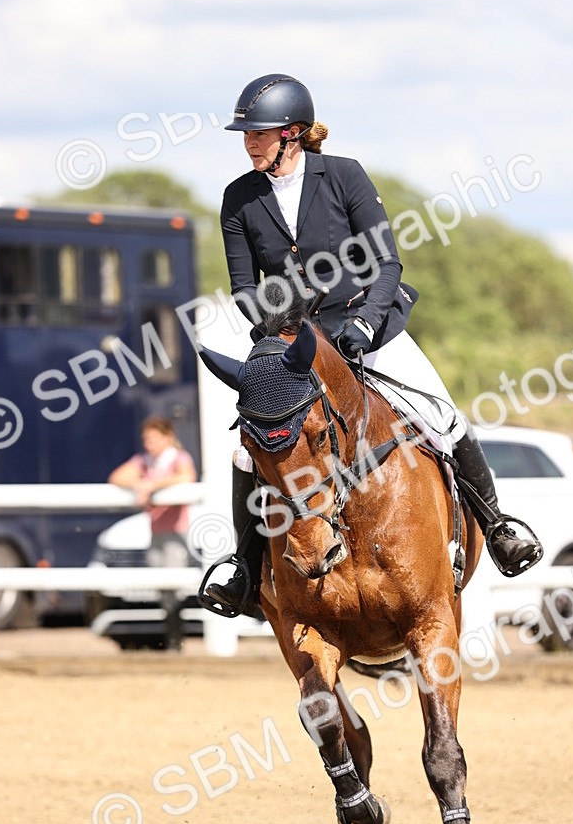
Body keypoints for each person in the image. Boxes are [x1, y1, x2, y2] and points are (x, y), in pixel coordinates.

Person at [207, 73, 540, 617]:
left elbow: (387, 264)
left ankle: (499, 526)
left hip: (366, 327)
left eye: (259, 133)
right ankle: (244, 572)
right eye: (246, 134)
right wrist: (277, 329)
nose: (249, 142)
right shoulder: (239, 199)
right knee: (247, 447)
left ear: (292, 133)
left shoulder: (343, 177)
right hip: (292, 345)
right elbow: (244, 287)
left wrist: (363, 323)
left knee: (442, 417)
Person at [108, 416, 197, 649]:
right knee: (162, 590)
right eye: (146, 439)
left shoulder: (178, 458)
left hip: (175, 532)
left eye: (153, 439)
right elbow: (117, 476)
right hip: (156, 532)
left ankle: (176, 641)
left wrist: (152, 485)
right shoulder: (146, 461)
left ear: (168, 437)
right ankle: (170, 639)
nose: (149, 444)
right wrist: (140, 484)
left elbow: (187, 476)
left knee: (174, 589)